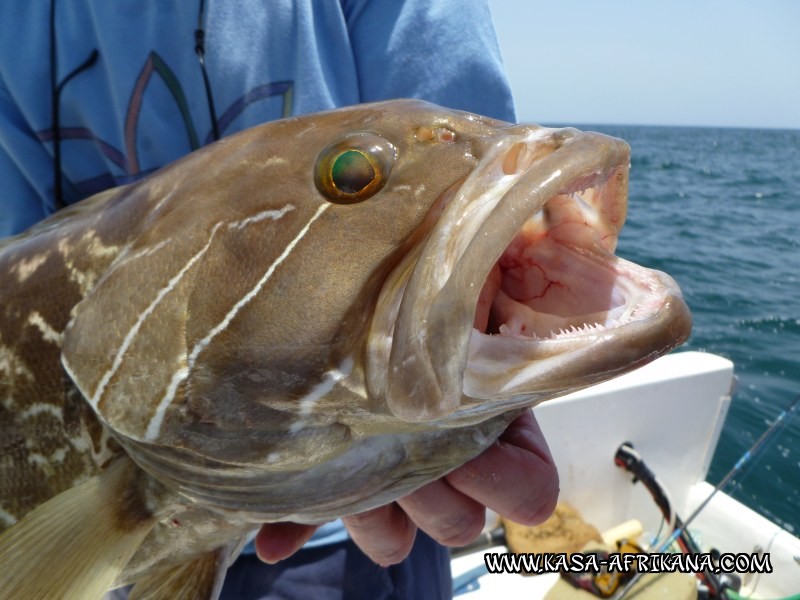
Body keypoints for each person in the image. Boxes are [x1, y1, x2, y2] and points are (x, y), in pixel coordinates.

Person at [0, 1, 559, 598]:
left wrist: (485, 338)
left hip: (350, 548)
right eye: (351, 177)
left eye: (351, 176)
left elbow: (474, 204)